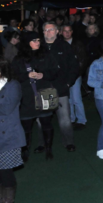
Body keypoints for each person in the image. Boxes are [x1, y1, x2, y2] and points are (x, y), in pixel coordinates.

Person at [12, 32, 57, 161]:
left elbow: (54, 71)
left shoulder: (46, 55)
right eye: (34, 40)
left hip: (44, 93)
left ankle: (48, 149)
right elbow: (13, 77)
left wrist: (43, 75)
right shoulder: (19, 59)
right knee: (26, 126)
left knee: (46, 123)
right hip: (26, 97)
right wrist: (27, 76)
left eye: (38, 40)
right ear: (27, 43)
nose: (37, 42)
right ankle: (25, 151)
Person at [41, 22, 78, 152]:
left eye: (50, 30)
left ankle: (68, 142)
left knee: (65, 119)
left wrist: (68, 83)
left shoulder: (64, 46)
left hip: (61, 88)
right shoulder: (39, 47)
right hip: (44, 88)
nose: (48, 32)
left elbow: (74, 66)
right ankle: (44, 143)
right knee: (43, 119)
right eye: (45, 30)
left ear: (57, 31)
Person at [0, 57, 24, 202]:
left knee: (5, 173)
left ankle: (7, 200)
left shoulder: (13, 85)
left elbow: (7, 108)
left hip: (7, 136)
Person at [61, 25, 88, 131]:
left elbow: (83, 60)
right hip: (64, 76)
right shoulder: (60, 44)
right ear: (61, 32)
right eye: (65, 31)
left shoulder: (78, 44)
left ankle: (81, 120)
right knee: (69, 99)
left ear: (72, 32)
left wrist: (76, 74)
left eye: (69, 31)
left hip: (75, 75)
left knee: (76, 98)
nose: (67, 33)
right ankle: (71, 119)